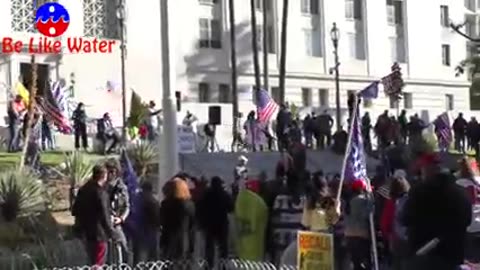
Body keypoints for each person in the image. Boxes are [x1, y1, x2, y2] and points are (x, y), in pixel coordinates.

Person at [402, 154, 472, 270]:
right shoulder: (460, 192)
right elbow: (467, 219)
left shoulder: (418, 192)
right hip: (452, 254)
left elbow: (405, 218)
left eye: (423, 169)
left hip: (423, 254)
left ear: (428, 169)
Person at [72, 165, 117, 266]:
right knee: (98, 263)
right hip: (99, 234)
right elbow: (105, 215)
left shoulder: (83, 190)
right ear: (104, 176)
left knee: (91, 261)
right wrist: (112, 233)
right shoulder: (101, 193)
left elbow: (75, 210)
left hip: (86, 232)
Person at [197, 176, 234, 266]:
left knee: (209, 247)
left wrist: (201, 222)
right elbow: (231, 208)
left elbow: (200, 208)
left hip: (209, 224)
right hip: (222, 224)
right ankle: (223, 265)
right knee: (223, 247)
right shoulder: (224, 194)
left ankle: (209, 265)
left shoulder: (206, 194)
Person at [159, 178, 196, 260]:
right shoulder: (189, 205)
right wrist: (192, 246)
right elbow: (192, 227)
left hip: (168, 239)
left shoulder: (165, 204)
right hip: (184, 241)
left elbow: (161, 221)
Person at [105, 159, 130, 263]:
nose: (111, 174)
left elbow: (127, 206)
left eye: (113, 171)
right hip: (104, 222)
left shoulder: (121, 187)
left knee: (123, 246)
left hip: (116, 222)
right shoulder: (102, 186)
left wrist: (121, 218)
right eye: (109, 171)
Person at [344, 179, 372, 270]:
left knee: (355, 262)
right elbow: (366, 214)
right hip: (361, 234)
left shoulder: (348, 200)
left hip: (349, 234)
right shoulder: (361, 200)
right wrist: (370, 198)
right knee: (364, 262)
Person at [133, 181, 161, 264]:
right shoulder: (153, 201)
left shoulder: (136, 199)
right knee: (151, 256)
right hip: (150, 231)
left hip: (138, 230)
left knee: (139, 256)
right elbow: (157, 217)